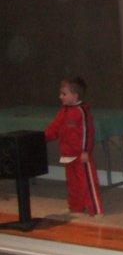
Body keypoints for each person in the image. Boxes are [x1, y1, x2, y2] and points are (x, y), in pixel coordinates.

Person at [44, 77, 104, 217]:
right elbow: (54, 128)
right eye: (61, 93)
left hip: (81, 155)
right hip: (67, 153)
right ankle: (76, 207)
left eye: (64, 94)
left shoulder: (81, 112)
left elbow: (88, 133)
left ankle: (96, 209)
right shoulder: (63, 111)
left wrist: (85, 151)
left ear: (75, 95)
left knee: (87, 183)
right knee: (73, 184)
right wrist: (41, 138)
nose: (60, 96)